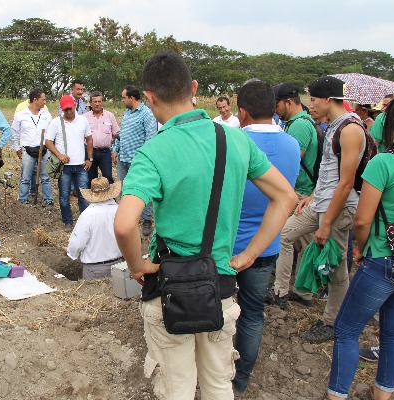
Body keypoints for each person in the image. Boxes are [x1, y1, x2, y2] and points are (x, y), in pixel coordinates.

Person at [114, 51, 296, 400]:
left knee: (176, 388)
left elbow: (124, 225)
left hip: (169, 289)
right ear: (194, 87)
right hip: (221, 283)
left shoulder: (153, 151)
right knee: (217, 384)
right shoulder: (237, 140)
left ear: (149, 98)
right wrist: (249, 255)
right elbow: (286, 199)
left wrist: (137, 266)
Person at [276, 76, 366, 343]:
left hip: (338, 209)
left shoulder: (350, 129)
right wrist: (312, 197)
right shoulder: (331, 125)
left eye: (314, 100)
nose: (310, 105)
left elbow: (347, 181)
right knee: (284, 234)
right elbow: (329, 173)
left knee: (337, 268)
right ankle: (284, 292)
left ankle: (331, 322)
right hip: (320, 202)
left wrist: (326, 222)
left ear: (328, 99)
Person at [325, 98, 394, 400]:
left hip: (381, 260)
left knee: (346, 330)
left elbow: (362, 220)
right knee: (393, 333)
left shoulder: (384, 163)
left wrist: (361, 250)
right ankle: (383, 394)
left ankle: (337, 394)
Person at [232, 80, 301, 395]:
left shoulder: (233, 141)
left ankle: (216, 372)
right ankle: (241, 379)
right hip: (267, 246)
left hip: (228, 246)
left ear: (242, 112)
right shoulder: (290, 144)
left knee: (217, 311)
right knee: (252, 313)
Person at [269, 82, 320, 308]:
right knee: (306, 244)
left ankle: (281, 290)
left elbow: (292, 160)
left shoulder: (299, 126)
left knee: (285, 238)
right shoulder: (302, 121)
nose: (276, 110)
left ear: (288, 102)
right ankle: (305, 290)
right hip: (305, 191)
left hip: (299, 192)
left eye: (277, 105)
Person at [111, 85, 157, 236]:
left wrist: (143, 158)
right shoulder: (127, 113)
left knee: (142, 190)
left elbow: (150, 138)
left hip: (137, 160)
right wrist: (115, 149)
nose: (122, 100)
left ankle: (146, 221)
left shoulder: (146, 114)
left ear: (131, 98)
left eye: (124, 97)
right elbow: (121, 134)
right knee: (124, 190)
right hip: (123, 158)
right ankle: (128, 219)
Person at [45, 95, 93, 232]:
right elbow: (48, 141)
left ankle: (85, 222)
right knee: (64, 196)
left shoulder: (83, 121)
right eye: (66, 109)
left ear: (75, 106)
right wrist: (59, 155)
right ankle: (68, 221)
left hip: (80, 166)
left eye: (70, 108)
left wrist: (89, 158)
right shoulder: (56, 122)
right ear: (62, 109)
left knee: (83, 195)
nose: (69, 111)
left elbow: (89, 139)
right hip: (64, 167)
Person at [64, 177, 123, 279]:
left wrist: (70, 252)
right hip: (119, 266)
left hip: (95, 269)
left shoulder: (88, 215)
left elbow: (77, 243)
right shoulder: (120, 210)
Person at [11, 88, 53, 206]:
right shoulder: (21, 115)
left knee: (45, 177)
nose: (45, 102)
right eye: (43, 99)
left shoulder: (46, 115)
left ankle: (48, 200)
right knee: (26, 177)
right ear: (35, 100)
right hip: (27, 150)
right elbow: (14, 133)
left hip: (44, 149)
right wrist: (17, 148)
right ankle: (23, 200)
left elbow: (51, 132)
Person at [84, 91, 119, 184]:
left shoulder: (110, 116)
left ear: (102, 102)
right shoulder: (85, 117)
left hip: (105, 152)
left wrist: (115, 150)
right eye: (95, 102)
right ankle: (92, 198)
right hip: (90, 152)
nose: (97, 104)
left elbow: (116, 134)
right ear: (90, 103)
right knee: (91, 179)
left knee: (108, 177)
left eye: (99, 101)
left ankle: (110, 198)